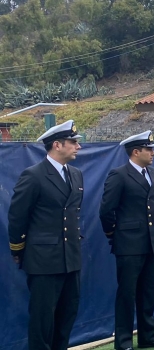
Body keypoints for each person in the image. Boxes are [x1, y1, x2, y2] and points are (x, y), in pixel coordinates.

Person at [8, 120, 83, 350]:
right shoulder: (34, 175)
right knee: (42, 320)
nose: (78, 147)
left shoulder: (76, 174)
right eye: (73, 142)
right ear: (57, 145)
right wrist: (18, 249)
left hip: (70, 257)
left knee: (67, 315)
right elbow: (17, 216)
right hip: (43, 260)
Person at [99, 130, 154, 350]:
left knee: (148, 291)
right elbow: (106, 210)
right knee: (127, 294)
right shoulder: (119, 174)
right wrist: (114, 234)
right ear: (136, 151)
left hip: (151, 242)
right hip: (128, 244)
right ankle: (123, 341)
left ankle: (148, 336)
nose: (153, 153)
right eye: (149, 149)